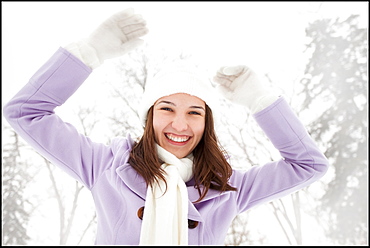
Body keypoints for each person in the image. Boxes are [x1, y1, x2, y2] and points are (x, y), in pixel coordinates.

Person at [3, 8, 329, 246]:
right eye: (167, 108)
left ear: (207, 123)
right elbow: (25, 112)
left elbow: (309, 165)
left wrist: (260, 100)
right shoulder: (104, 167)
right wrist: (91, 52)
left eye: (194, 113)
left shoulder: (229, 190)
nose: (179, 124)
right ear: (149, 118)